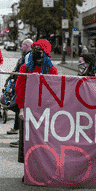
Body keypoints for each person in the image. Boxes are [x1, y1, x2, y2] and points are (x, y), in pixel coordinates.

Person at [15, 39, 58, 182]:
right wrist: (21, 108)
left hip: (44, 113)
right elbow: (19, 89)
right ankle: (28, 171)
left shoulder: (52, 70)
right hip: (27, 111)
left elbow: (55, 92)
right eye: (35, 52)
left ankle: (43, 171)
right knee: (27, 143)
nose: (37, 57)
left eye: (40, 53)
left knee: (43, 144)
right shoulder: (25, 68)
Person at [5, 39, 33, 141]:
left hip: (24, 87)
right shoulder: (25, 56)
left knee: (19, 108)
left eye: (23, 46)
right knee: (18, 108)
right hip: (20, 86)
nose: (21, 48)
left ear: (27, 45)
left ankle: (22, 139)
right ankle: (18, 130)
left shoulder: (29, 56)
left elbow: (24, 71)